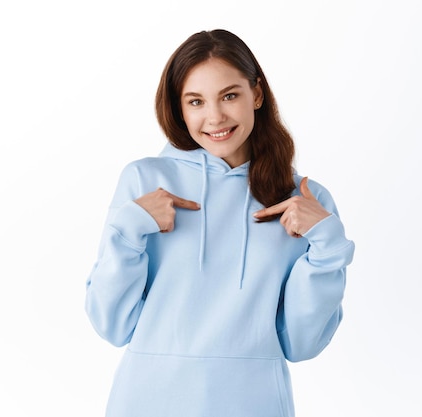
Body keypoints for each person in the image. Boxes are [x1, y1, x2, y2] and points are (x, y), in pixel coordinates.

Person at [85, 28, 355, 417]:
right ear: (180, 109)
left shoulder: (302, 201)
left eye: (229, 95)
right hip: (147, 403)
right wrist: (127, 231)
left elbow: (302, 344)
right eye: (196, 101)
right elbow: (111, 324)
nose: (215, 117)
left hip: (255, 405)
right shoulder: (145, 182)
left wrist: (328, 248)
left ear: (256, 95)